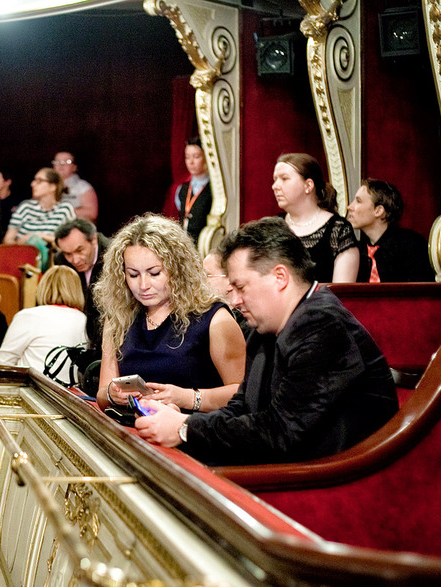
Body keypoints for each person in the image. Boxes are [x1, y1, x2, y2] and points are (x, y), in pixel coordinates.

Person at [135, 217, 398, 464]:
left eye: (241, 287)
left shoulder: (321, 325)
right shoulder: (266, 326)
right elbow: (242, 407)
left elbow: (281, 432)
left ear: (280, 277)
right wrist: (180, 421)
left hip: (329, 480)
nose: (234, 300)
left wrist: (185, 429)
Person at [95, 214, 245, 412]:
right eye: (133, 275)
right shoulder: (119, 317)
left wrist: (187, 398)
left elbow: (243, 395)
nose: (143, 285)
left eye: (154, 273)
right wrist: (111, 394)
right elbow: (102, 394)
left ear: (178, 270)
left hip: (194, 428)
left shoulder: (215, 319)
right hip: (132, 429)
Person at [272, 152, 358, 283]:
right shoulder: (273, 228)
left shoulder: (338, 230)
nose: (275, 186)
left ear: (308, 185)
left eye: (284, 179)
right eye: (275, 180)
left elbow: (341, 291)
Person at [0, 265, 87, 373]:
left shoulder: (29, 316)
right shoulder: (85, 321)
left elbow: (2, 364)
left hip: (32, 384)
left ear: (43, 287)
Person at [347, 178, 435, 282]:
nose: (349, 207)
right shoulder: (356, 250)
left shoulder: (411, 246)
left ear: (378, 211)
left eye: (358, 201)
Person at [54, 218, 110, 349]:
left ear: (93, 239)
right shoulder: (61, 261)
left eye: (80, 250)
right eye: (68, 254)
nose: (75, 260)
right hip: (77, 332)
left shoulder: (113, 253)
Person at [3, 168, 76, 249]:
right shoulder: (26, 207)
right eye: (34, 180)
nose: (32, 184)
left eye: (39, 181)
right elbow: (8, 239)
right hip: (24, 253)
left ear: (52, 187)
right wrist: (19, 246)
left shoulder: (64, 208)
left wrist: (39, 236)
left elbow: (71, 241)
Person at [165, 137, 211, 244]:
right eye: (187, 157)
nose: (191, 162)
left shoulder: (213, 190)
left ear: (206, 157)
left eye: (196, 157)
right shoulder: (182, 189)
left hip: (203, 243)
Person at [52, 151, 99, 222]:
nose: (61, 165)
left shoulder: (83, 187)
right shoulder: (45, 185)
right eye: (57, 162)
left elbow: (92, 213)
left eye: (67, 161)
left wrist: (63, 212)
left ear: (74, 167)